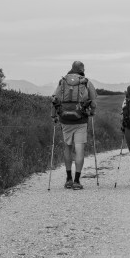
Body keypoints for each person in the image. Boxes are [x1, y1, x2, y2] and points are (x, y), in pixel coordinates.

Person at [51, 61, 97, 190]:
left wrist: (54, 116)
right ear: (82, 69)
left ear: (71, 69)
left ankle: (68, 179)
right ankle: (77, 181)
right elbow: (93, 101)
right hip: (81, 120)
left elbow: (54, 98)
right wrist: (92, 112)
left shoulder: (63, 81)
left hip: (65, 120)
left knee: (67, 148)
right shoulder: (86, 81)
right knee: (79, 149)